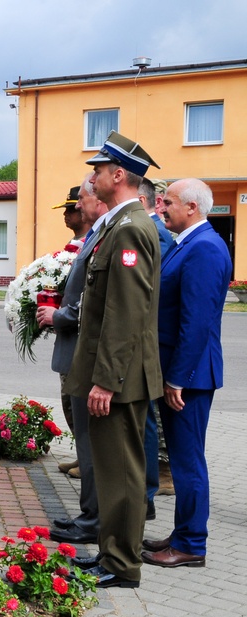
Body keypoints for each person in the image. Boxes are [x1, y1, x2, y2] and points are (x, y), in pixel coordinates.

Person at [63, 131, 164, 589]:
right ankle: (110, 554)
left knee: (122, 473)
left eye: (99, 170)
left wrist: (105, 381)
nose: (93, 177)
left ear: (118, 175)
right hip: (114, 375)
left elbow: (125, 314)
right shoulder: (120, 225)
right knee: (110, 469)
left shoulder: (130, 229)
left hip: (119, 379)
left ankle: (122, 565)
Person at [141, 178, 232, 569]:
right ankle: (182, 534)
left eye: (169, 202)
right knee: (183, 458)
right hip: (184, 372)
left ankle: (192, 543)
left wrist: (177, 377)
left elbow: (196, 322)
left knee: (187, 461)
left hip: (190, 378)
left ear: (192, 207)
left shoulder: (205, 248)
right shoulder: (190, 243)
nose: (162, 207)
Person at [39, 175, 103, 545]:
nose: (71, 211)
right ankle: (91, 514)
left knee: (96, 443)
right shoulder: (96, 236)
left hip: (92, 356)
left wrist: (61, 315)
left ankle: (97, 519)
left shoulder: (113, 234)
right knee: (87, 441)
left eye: (76, 202)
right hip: (81, 349)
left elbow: (101, 303)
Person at [46, 184, 92, 476]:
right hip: (65, 327)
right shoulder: (72, 245)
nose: (65, 215)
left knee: (77, 398)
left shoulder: (90, 243)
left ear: (81, 210)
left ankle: (89, 460)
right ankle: (82, 454)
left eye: (69, 209)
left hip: (77, 331)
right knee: (68, 398)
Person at [136, 178, 176, 520]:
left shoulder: (155, 233)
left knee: (147, 419)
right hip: (145, 340)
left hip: (149, 342)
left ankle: (146, 493)